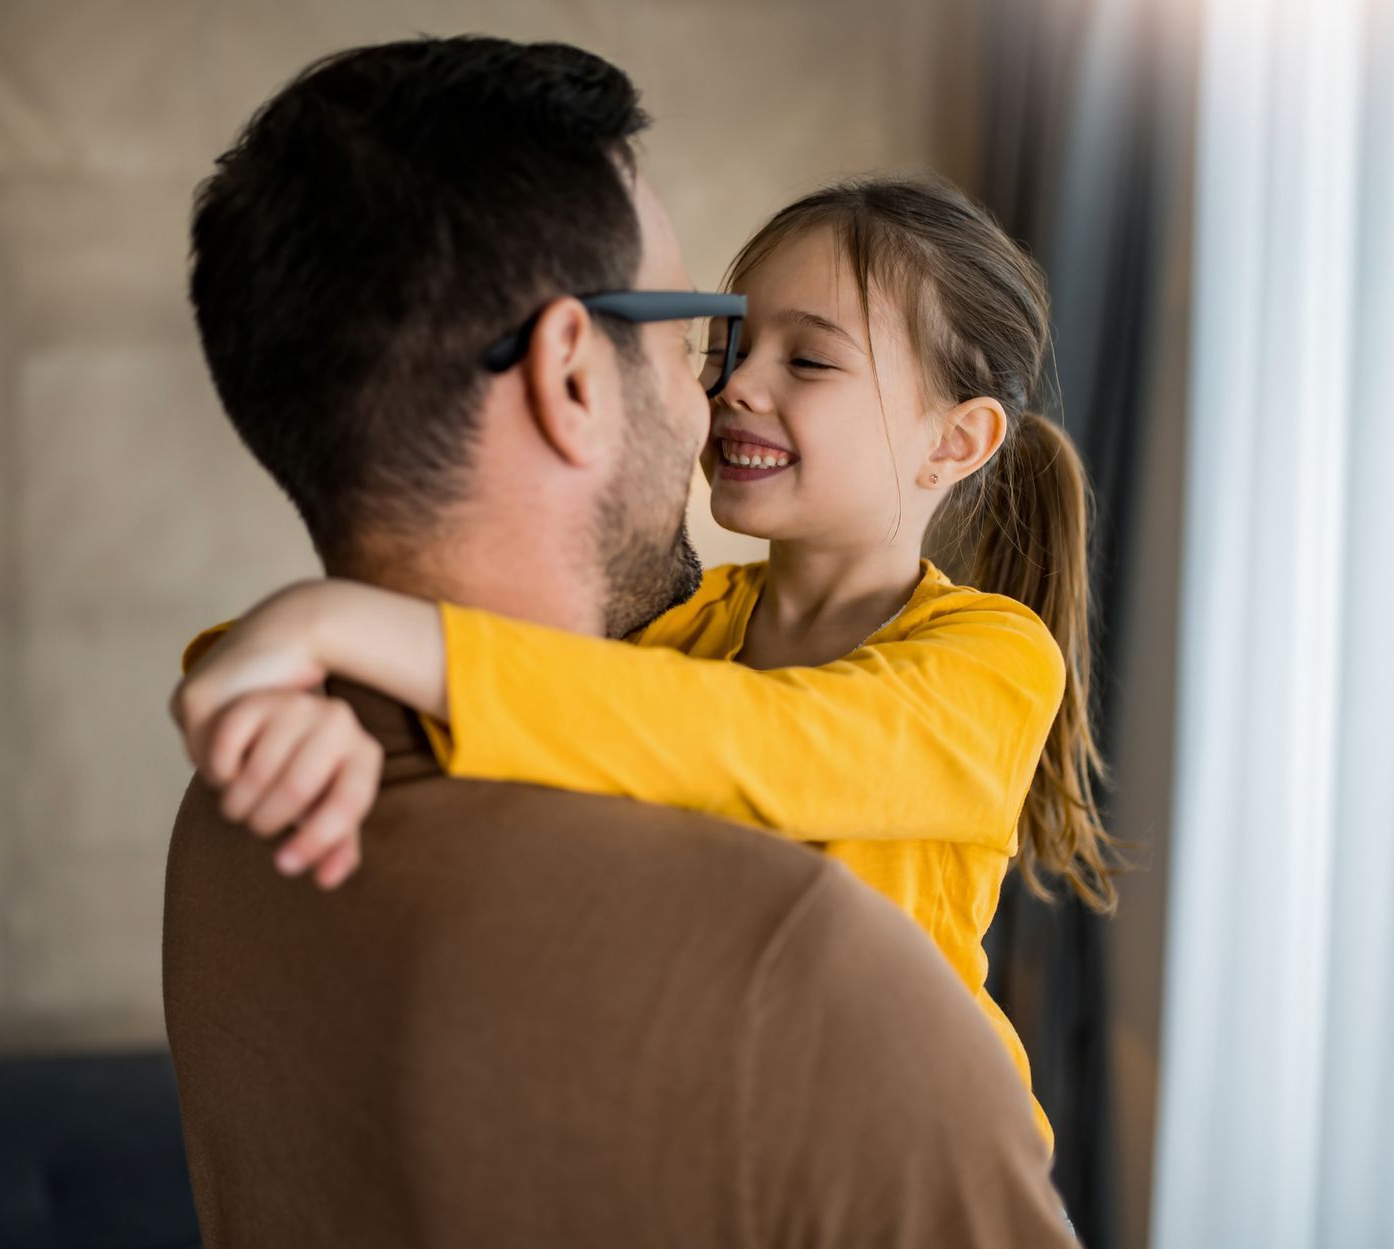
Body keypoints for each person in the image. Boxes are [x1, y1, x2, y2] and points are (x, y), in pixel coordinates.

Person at [163, 34, 1075, 1247]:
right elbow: (552, 695)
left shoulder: (992, 657)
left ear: (955, 443)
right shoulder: (691, 628)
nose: (732, 388)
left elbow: (776, 744)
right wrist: (278, 665)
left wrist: (330, 629)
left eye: (806, 360)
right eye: (725, 345)